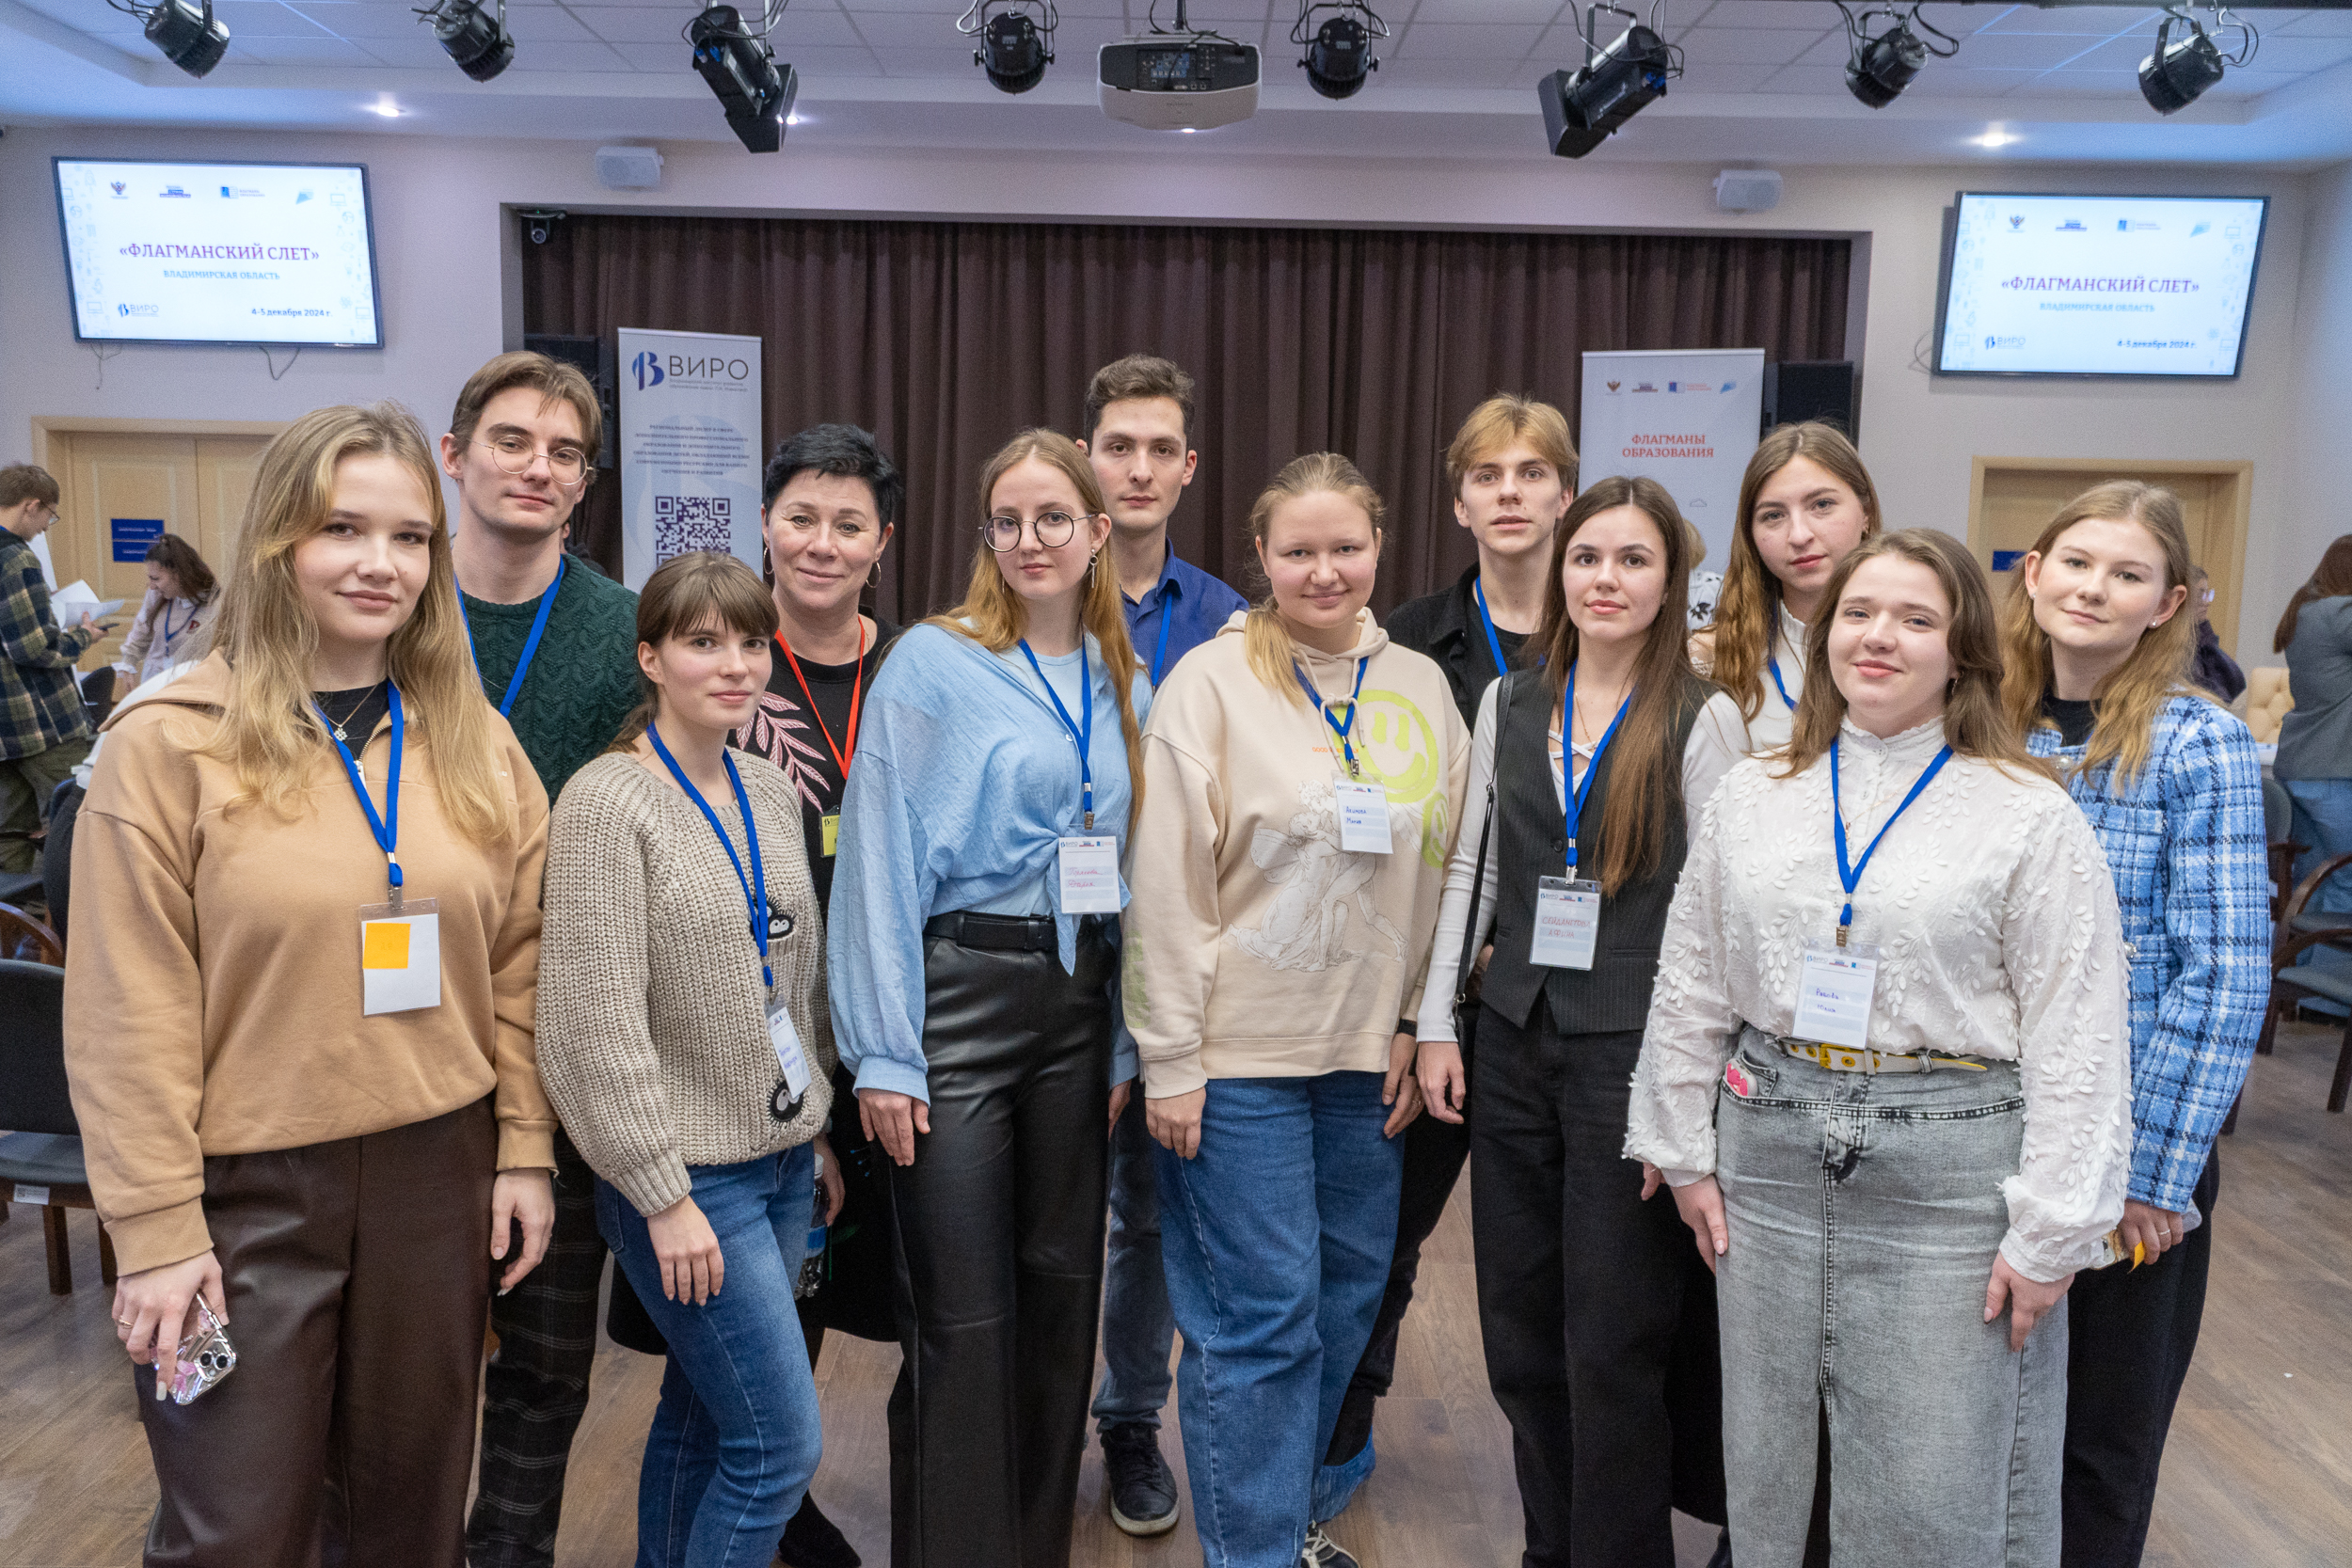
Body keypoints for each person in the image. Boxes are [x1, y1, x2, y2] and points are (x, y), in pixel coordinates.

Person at [61, 403, 557, 1567]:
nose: (381, 563)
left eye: (410, 536)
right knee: (233, 1526)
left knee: (408, 1521)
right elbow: (127, 1008)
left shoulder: (476, 741)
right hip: (239, 1197)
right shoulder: (165, 742)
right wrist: (155, 1228)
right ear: (278, 539)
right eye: (343, 528)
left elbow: (521, 960)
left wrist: (525, 1145)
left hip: (437, 1178)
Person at [1628, 528, 2133, 1568]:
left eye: (1915, 619)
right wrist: (1679, 1147)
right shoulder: (1756, 791)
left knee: (1934, 1491)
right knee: (1767, 1474)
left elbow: (2078, 1034)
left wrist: (2053, 1228)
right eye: (1858, 613)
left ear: (1964, 649)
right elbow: (1692, 976)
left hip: (1950, 1178)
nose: (1878, 637)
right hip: (1767, 1152)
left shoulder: (2029, 813)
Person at [1126, 452, 1469, 1568]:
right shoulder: (1210, 684)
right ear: (1261, 558)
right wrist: (1171, 1056)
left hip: (1367, 1057)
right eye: (1298, 550)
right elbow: (1165, 881)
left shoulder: (1419, 684)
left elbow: (1453, 868)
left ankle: (1285, 1515)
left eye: (1346, 547)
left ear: (1379, 548)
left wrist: (1418, 1020)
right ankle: (1255, 1551)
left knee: (1343, 1302)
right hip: (1234, 1062)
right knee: (1260, 1318)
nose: (1325, 570)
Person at [1410, 476, 1742, 1568]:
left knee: (1611, 1340)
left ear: (1670, 578)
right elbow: (1473, 866)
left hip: (1634, 1054)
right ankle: (1550, 1548)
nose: (1606, 578)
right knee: (1518, 1332)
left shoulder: (1703, 715)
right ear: (1561, 568)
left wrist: (1691, 1085)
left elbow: (1717, 913)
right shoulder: (1511, 700)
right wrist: (1437, 1019)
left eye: (1633, 559)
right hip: (1512, 1037)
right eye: (1589, 556)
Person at [828, 429, 1144, 1568]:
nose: (1028, 540)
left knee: (1062, 1302)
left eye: (1052, 518)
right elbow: (877, 857)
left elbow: (1135, 873)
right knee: (962, 1318)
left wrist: (1123, 1044)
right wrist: (884, 1049)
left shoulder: (1121, 674)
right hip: (955, 1003)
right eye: (1006, 520)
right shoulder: (932, 660)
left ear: (1097, 531)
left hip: (1077, 1004)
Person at [535, 550, 839, 1568]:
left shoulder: (768, 786)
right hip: (686, 1177)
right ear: (650, 657)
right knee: (778, 1446)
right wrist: (662, 1194)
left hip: (781, 1159)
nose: (736, 664)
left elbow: (793, 976)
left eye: (752, 641)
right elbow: (588, 1025)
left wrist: (813, 1128)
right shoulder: (604, 802)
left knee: (706, 1417)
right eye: (704, 641)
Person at [1999, 483, 2268, 1567]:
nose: (2092, 588)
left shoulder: (2197, 742)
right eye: (2075, 562)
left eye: (2126, 574)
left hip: (2128, 1143)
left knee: (2098, 1438)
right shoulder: (1979, 720)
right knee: (1983, 1422)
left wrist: (2153, 1172)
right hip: (1987, 1125)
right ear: (2033, 572)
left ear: (2167, 603)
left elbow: (2224, 973)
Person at [1322, 393, 1573, 1518]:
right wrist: (1405, 1004)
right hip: (1427, 994)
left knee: (1553, 1266)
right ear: (1459, 499)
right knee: (1379, 1241)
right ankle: (1336, 1446)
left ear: (1565, 493)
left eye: (1532, 472)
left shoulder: (1614, 626)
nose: (1510, 492)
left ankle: (1568, 1493)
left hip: (1566, 1005)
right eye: (1487, 474)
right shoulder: (1407, 641)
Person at [443, 351, 647, 1568]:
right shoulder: (389, 602)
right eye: (513, 440)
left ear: (584, 482)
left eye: (566, 452)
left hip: (558, 1034)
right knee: (403, 1365)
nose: (540, 466)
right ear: (454, 454)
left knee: (545, 1362)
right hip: (400, 1031)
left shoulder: (624, 629)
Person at [1073, 352, 1248, 1536]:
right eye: (1117, 446)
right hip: (1042, 953)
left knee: (1145, 1212)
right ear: (1087, 455)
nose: (1136, 468)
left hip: (1178, 948)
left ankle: (1129, 1418)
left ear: (1189, 467)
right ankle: (1029, 1409)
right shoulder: (1030, 588)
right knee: (1039, 1209)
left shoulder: (1233, 619)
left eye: (1158, 449)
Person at [735, 421, 908, 1568]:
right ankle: (778, 1505)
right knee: (774, 1301)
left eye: (849, 523)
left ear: (882, 541)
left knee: (889, 1283)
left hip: (890, 1030)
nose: (822, 542)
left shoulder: (922, 669)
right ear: (765, 524)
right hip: (762, 1029)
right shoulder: (722, 658)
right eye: (801, 516)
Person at [1690, 421, 1884, 752]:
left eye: (1821, 505)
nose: (1799, 535)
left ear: (1865, 512)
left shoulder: (1915, 646)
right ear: (1751, 533)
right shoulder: (1710, 656)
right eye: (1773, 516)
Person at [0, 463, 102, 875]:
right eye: (49, 516)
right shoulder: (16, 558)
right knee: (90, 812)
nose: (45, 527)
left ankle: (20, 912)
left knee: (8, 833)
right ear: (32, 505)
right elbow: (32, 647)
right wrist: (83, 637)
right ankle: (78, 905)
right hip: (38, 723)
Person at [2272, 536, 2352, 915]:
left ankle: (2302, 954)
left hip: (2301, 767)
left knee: (2314, 878)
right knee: (2347, 875)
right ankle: (2329, 955)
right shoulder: (2340, 613)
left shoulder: (2307, 611)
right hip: (2334, 772)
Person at [114, 533, 217, 687]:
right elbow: (141, 632)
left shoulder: (215, 604)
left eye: (156, 579)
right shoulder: (155, 595)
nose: (151, 586)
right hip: (154, 683)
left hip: (192, 686)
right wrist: (128, 664)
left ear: (178, 575)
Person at [2186, 566, 2245, 704]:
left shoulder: (2203, 639)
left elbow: (2235, 681)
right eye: (2200, 595)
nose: (2207, 602)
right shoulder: (2178, 646)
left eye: (2208, 594)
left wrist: (2204, 629)